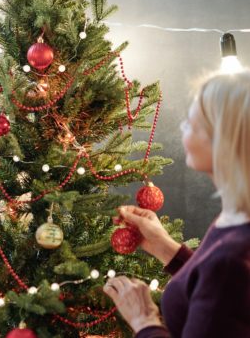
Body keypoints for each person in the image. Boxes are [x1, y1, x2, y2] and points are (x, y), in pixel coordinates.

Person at [103, 71, 250, 337]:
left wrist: (144, 321)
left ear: (225, 141)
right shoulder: (235, 218)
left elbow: (221, 281)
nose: (182, 129)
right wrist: (167, 249)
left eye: (191, 124)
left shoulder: (232, 258)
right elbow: (215, 297)